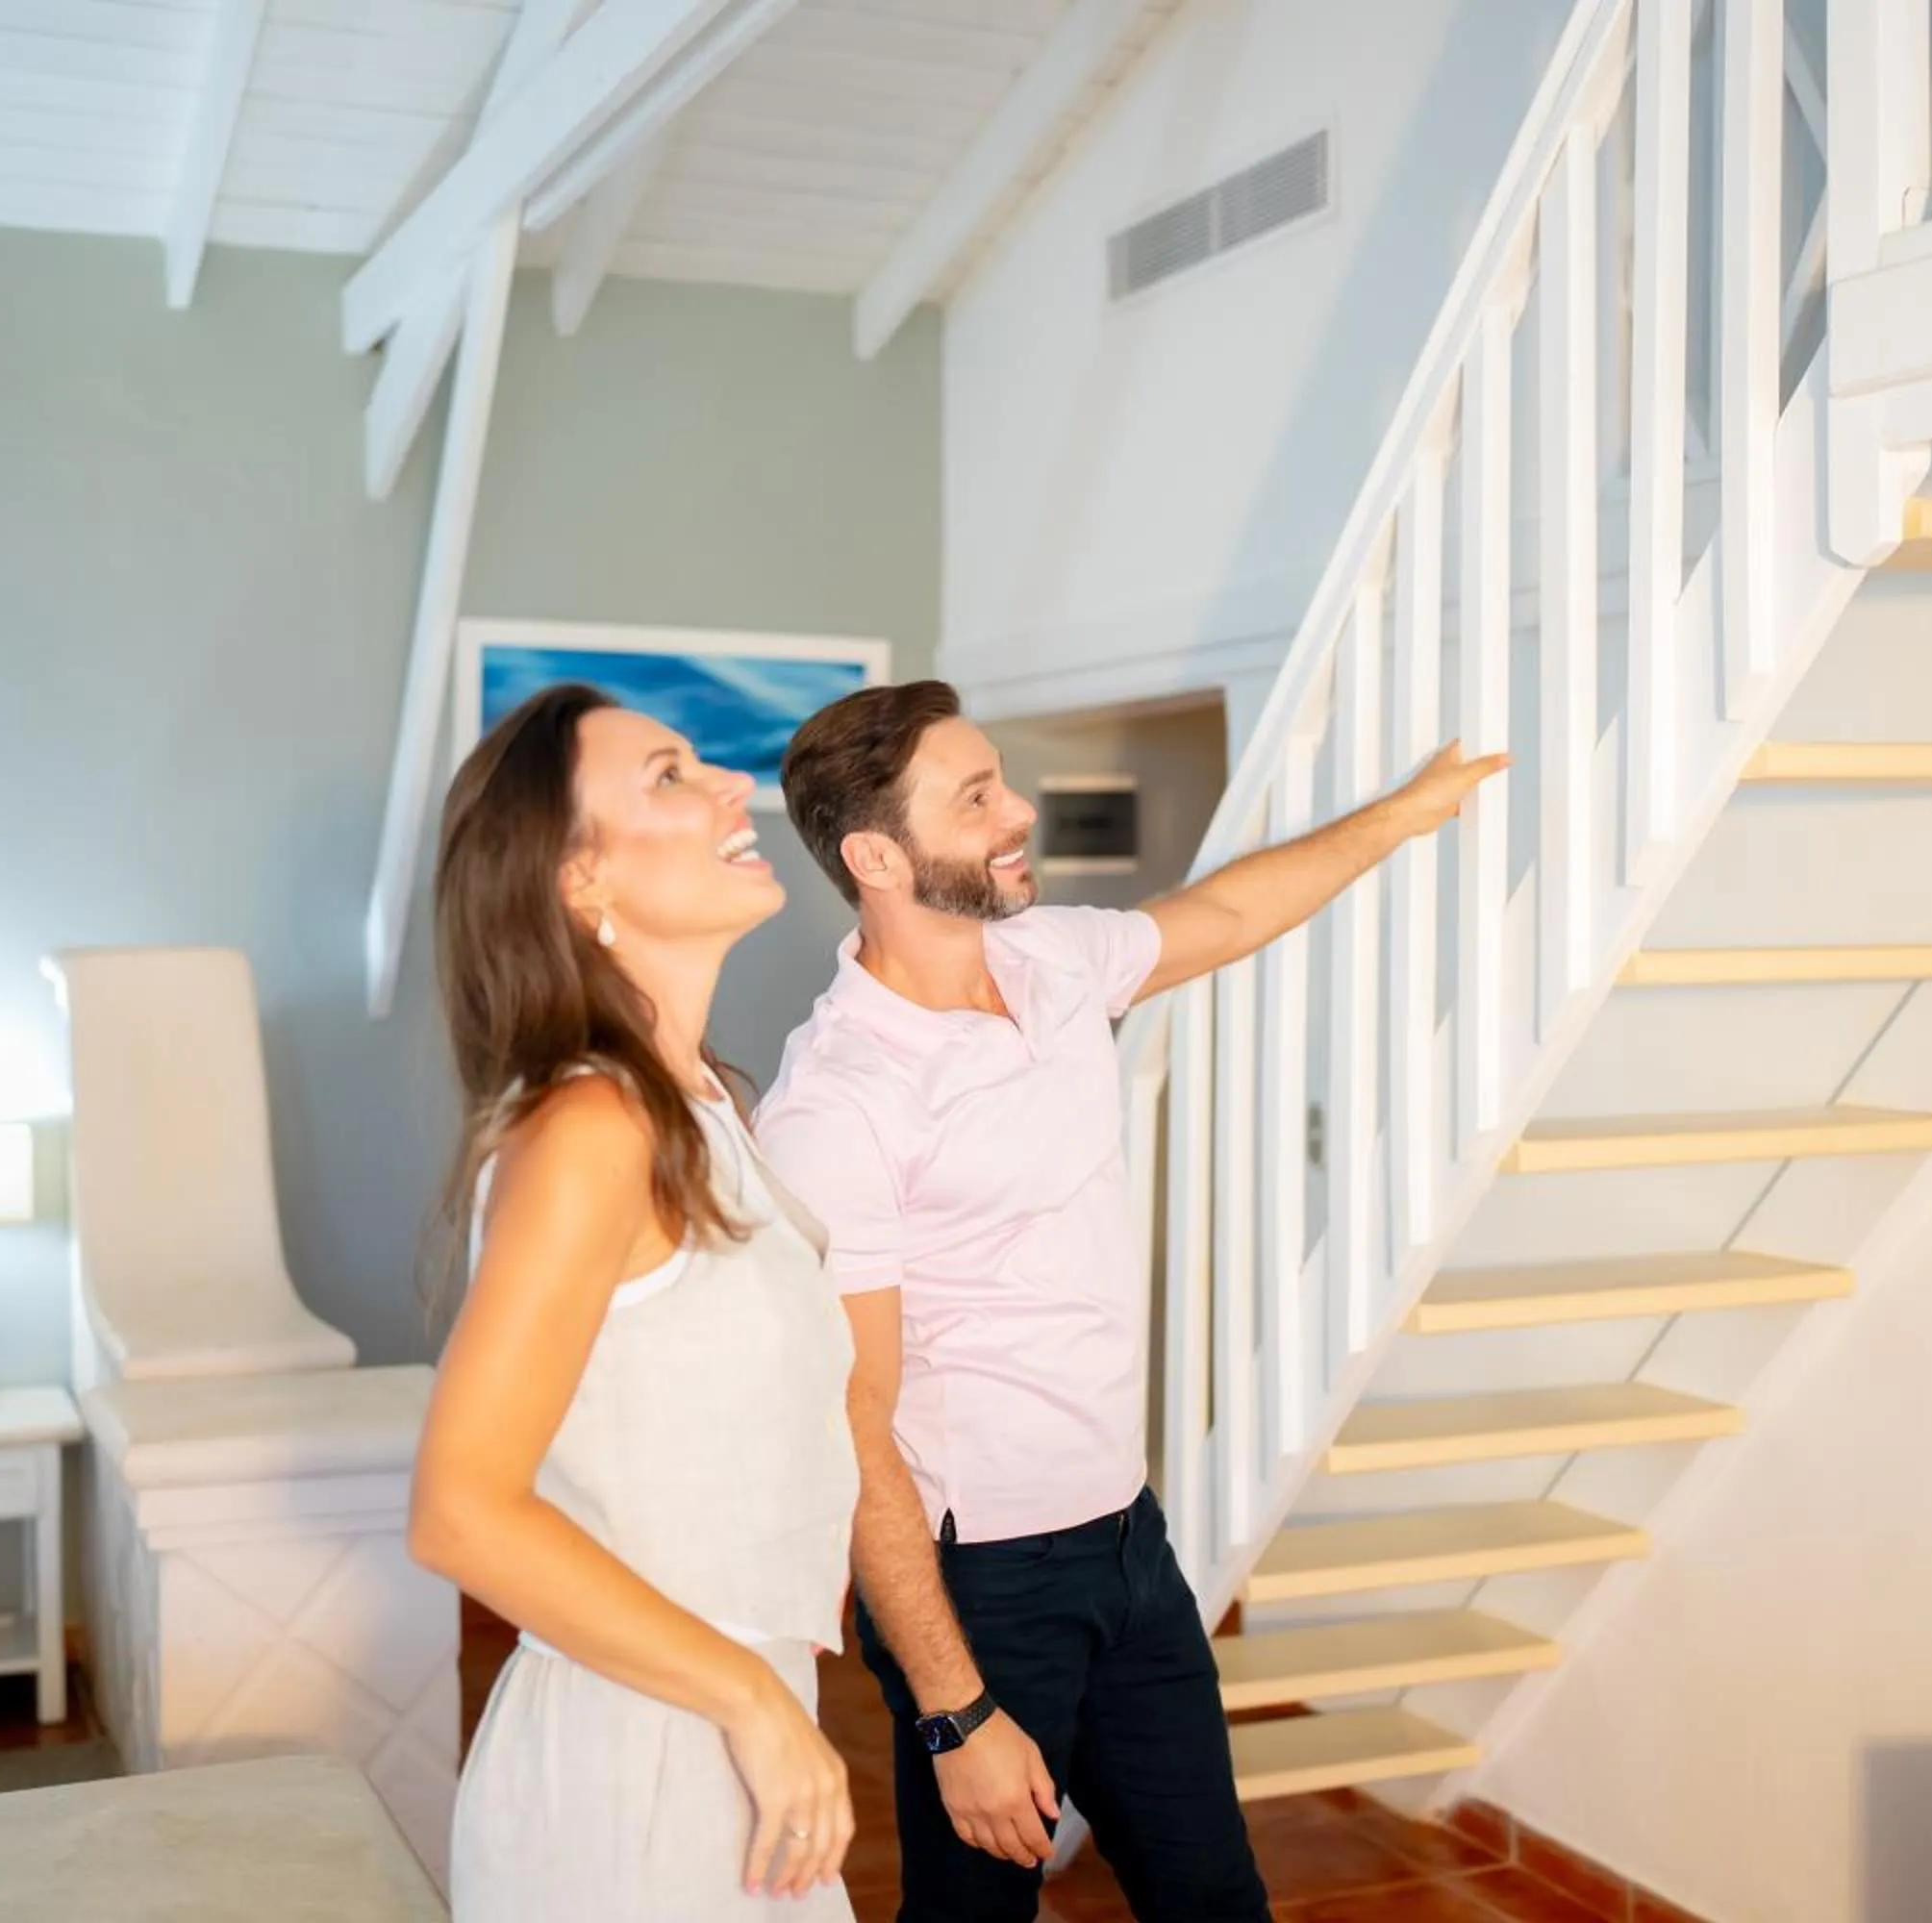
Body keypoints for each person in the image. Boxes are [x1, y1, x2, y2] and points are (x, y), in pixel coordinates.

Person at [755, 680, 1506, 1922]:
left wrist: (1405, 814)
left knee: (1214, 1901)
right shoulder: (840, 1104)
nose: (1022, 810)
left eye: (1003, 780)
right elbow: (855, 1422)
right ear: (876, 855)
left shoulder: (1047, 961)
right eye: (978, 796)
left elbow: (1224, 910)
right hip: (983, 1585)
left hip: (1125, 1539)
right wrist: (957, 1713)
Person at [412, 683, 861, 1921]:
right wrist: (750, 1699)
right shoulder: (591, 1125)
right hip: (640, 1768)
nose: (732, 787)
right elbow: (460, 1511)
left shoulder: (710, 1103)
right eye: (670, 776)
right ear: (578, 882)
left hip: (733, 1740)